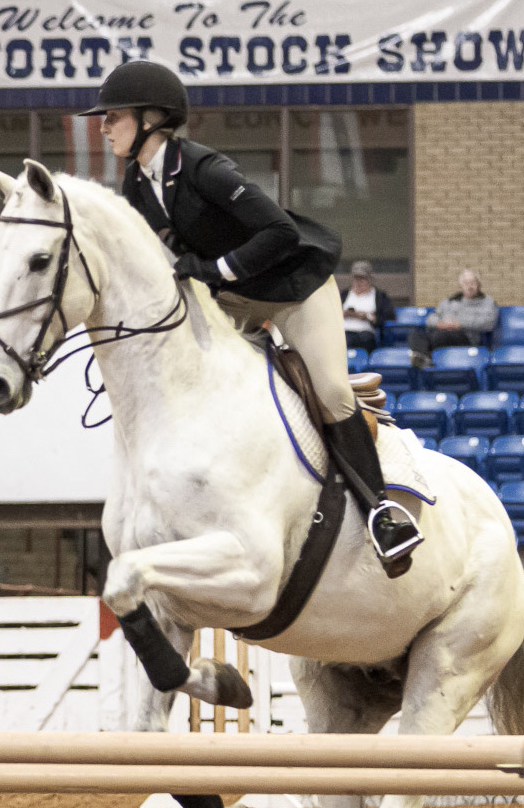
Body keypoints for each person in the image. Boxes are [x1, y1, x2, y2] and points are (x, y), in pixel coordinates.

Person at [83, 60, 420, 572]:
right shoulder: (135, 184)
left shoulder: (203, 168)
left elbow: (279, 233)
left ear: (152, 118)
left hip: (293, 289)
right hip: (232, 298)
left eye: (113, 116)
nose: (103, 126)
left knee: (329, 392)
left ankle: (382, 511)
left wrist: (213, 267)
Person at [428, 269, 497, 349]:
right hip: (442, 332)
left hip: (467, 338)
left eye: (473, 283)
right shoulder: (448, 301)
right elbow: (431, 318)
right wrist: (439, 323)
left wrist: (459, 324)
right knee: (416, 336)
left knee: (441, 336)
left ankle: (430, 359)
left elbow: (488, 323)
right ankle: (423, 359)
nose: (470, 286)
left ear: (478, 285)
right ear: (461, 287)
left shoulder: (487, 302)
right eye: (466, 283)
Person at [338, 261, 395, 352]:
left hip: (366, 333)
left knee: (364, 339)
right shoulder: (344, 294)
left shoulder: (379, 296)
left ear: (370, 279)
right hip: (345, 332)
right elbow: (331, 314)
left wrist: (368, 316)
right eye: (356, 279)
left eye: (362, 279)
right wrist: (344, 313)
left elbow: (389, 316)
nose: (359, 283)